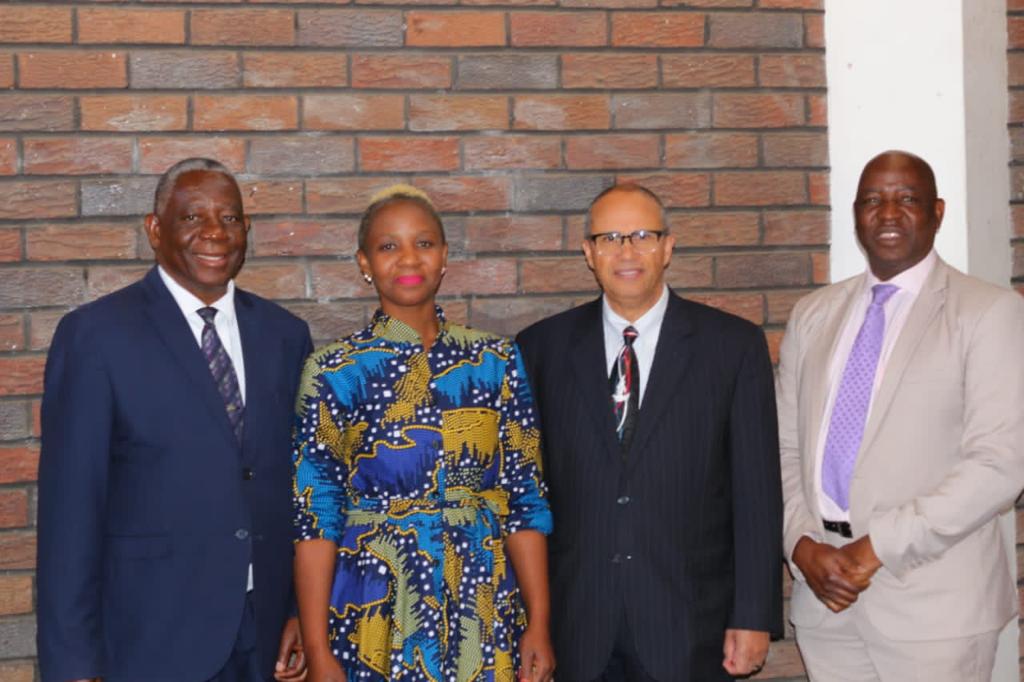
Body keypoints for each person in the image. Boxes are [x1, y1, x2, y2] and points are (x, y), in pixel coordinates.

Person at [36, 158, 313, 682]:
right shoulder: (96, 337)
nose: (214, 232)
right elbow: (71, 512)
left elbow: (298, 487)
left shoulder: (285, 337)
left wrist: (298, 609)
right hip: (151, 640)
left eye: (230, 218)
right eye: (192, 218)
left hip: (264, 638)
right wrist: (73, 663)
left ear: (246, 231)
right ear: (155, 229)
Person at [516, 184, 782, 681]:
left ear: (668, 246)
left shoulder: (733, 347)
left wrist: (753, 615)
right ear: (589, 252)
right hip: (578, 627)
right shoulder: (540, 349)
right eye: (610, 238)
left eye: (642, 235)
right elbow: (526, 495)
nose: (627, 251)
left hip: (690, 625)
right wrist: (533, 620)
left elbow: (757, 493)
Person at [777, 150, 1024, 681]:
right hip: (826, 599)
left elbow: (1001, 465)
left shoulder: (989, 312)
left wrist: (877, 547)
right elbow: (786, 449)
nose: (888, 213)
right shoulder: (813, 315)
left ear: (937, 211)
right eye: (873, 201)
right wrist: (801, 544)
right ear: (856, 215)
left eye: (906, 199)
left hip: (934, 606)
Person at [292, 185, 555, 682]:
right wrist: (317, 647)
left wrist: (538, 623)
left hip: (482, 600)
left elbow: (524, 498)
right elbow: (315, 516)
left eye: (424, 243)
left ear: (444, 257)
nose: (408, 258)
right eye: (388, 246)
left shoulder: (496, 360)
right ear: (364, 262)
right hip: (373, 602)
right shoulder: (333, 371)